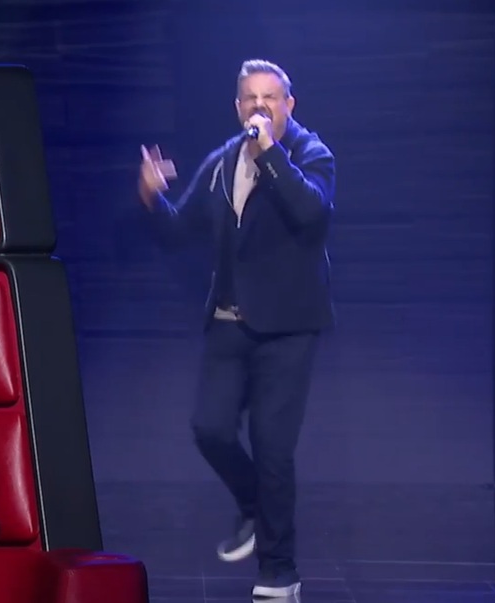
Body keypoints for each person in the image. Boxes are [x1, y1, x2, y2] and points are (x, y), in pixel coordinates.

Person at [137, 59, 335, 599]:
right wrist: (152, 198)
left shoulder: (311, 154)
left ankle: (279, 573)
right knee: (211, 429)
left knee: (273, 449)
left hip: (288, 328)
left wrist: (270, 153)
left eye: (270, 98)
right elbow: (179, 229)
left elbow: (311, 212)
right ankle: (252, 505)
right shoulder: (224, 161)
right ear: (237, 107)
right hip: (230, 322)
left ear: (289, 105)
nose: (259, 107)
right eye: (251, 98)